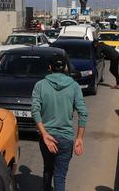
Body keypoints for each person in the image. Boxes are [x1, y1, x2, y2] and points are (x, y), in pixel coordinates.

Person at [31, 56, 87, 191]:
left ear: (50, 67)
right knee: (60, 176)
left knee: (48, 169)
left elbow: (35, 111)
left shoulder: (40, 85)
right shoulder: (74, 86)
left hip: (47, 139)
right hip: (66, 139)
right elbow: (83, 113)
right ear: (66, 68)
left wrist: (44, 134)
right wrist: (79, 138)